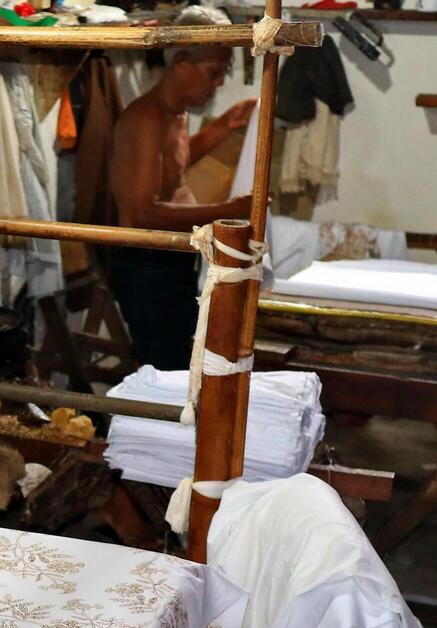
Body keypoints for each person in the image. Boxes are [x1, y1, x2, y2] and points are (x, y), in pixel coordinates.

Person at [109, 15, 257, 370]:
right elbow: (143, 211)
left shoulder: (177, 114)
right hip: (147, 265)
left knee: (179, 355)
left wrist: (225, 125)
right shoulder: (147, 118)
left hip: (171, 258)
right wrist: (229, 209)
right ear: (181, 63)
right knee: (163, 365)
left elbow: (172, 168)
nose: (219, 83)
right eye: (213, 72)